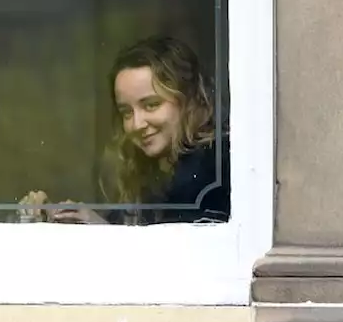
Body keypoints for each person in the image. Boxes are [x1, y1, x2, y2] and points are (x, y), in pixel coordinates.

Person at [20, 36, 229, 225]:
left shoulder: (213, 169)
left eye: (151, 105)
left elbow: (173, 259)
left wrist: (103, 232)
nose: (136, 124)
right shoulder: (154, 173)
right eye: (126, 112)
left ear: (190, 101)